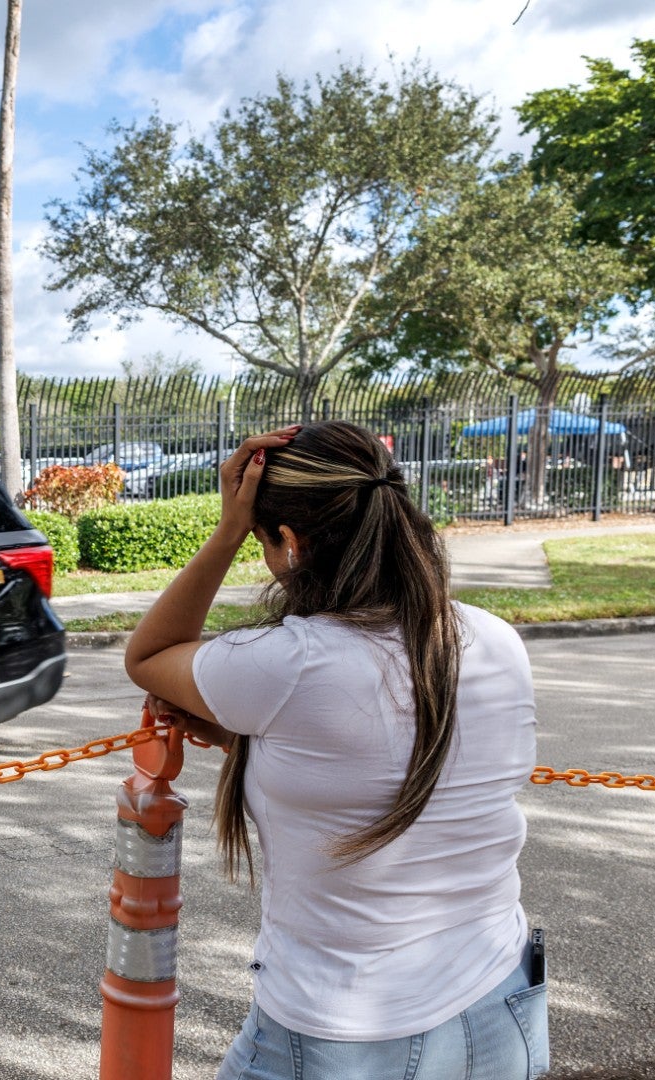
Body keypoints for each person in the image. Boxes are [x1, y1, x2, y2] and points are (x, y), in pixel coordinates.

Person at [123, 421, 548, 1079]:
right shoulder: (494, 639)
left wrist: (228, 529)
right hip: (500, 1000)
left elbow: (149, 655)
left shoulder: (287, 662)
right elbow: (394, 757)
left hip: (343, 1033)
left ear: (290, 541)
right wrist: (252, 739)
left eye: (264, 540)